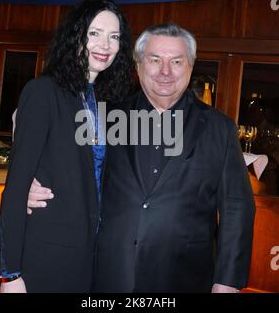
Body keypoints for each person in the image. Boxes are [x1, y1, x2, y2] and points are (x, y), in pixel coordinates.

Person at [28, 23, 255, 293]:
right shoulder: (106, 118)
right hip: (108, 273)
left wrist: (228, 281)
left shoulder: (219, 127)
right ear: (138, 66)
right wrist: (32, 183)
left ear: (191, 66)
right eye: (155, 60)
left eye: (177, 61)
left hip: (185, 277)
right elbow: (69, 167)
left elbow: (236, 207)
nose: (165, 72)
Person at [0, 0, 134, 293]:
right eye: (94, 33)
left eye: (114, 36)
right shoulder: (43, 91)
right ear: (76, 37)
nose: (105, 45)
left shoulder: (110, 102)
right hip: (46, 253)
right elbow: (17, 187)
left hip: (94, 257)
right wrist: (11, 273)